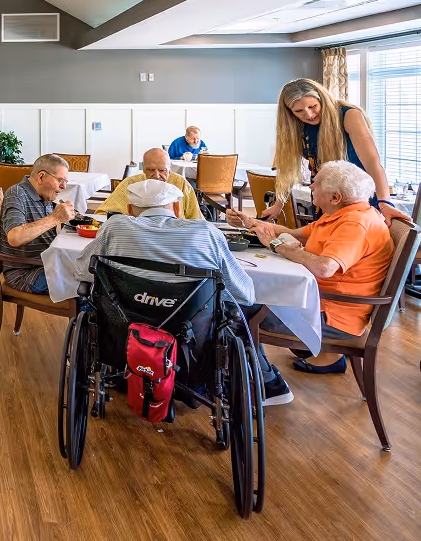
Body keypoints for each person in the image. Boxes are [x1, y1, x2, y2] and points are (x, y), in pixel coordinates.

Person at [73, 180, 284, 402]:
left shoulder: (114, 227)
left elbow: (82, 272)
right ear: (176, 208)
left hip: (124, 336)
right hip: (191, 343)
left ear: (129, 210)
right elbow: (244, 294)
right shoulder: (206, 233)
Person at [228, 160, 394, 378]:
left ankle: (267, 382)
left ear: (335, 197)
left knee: (233, 308)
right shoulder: (341, 213)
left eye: (316, 183)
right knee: (240, 295)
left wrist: (276, 246)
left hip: (332, 317)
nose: (311, 186)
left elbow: (325, 267)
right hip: (319, 303)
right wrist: (251, 223)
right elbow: (292, 233)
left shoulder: (355, 225)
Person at [267, 78, 408, 223]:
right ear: (290, 112)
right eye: (299, 111)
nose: (308, 115)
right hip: (326, 201)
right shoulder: (296, 125)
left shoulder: (349, 115)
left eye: (312, 106)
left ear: (322, 99)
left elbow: (373, 163)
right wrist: (278, 205)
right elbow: (287, 169)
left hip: (358, 198)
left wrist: (385, 204)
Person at [0, 154, 76, 294]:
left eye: (65, 181)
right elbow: (15, 237)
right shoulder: (16, 194)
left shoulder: (45, 196)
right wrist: (55, 218)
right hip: (26, 273)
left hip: (48, 264)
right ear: (41, 177)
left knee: (95, 273)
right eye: (60, 180)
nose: (63, 186)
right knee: (88, 287)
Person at [94, 148, 203, 219]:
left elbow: (196, 219)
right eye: (150, 170)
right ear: (143, 170)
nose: (156, 176)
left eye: (162, 170)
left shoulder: (180, 183)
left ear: (170, 170)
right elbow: (102, 214)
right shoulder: (131, 184)